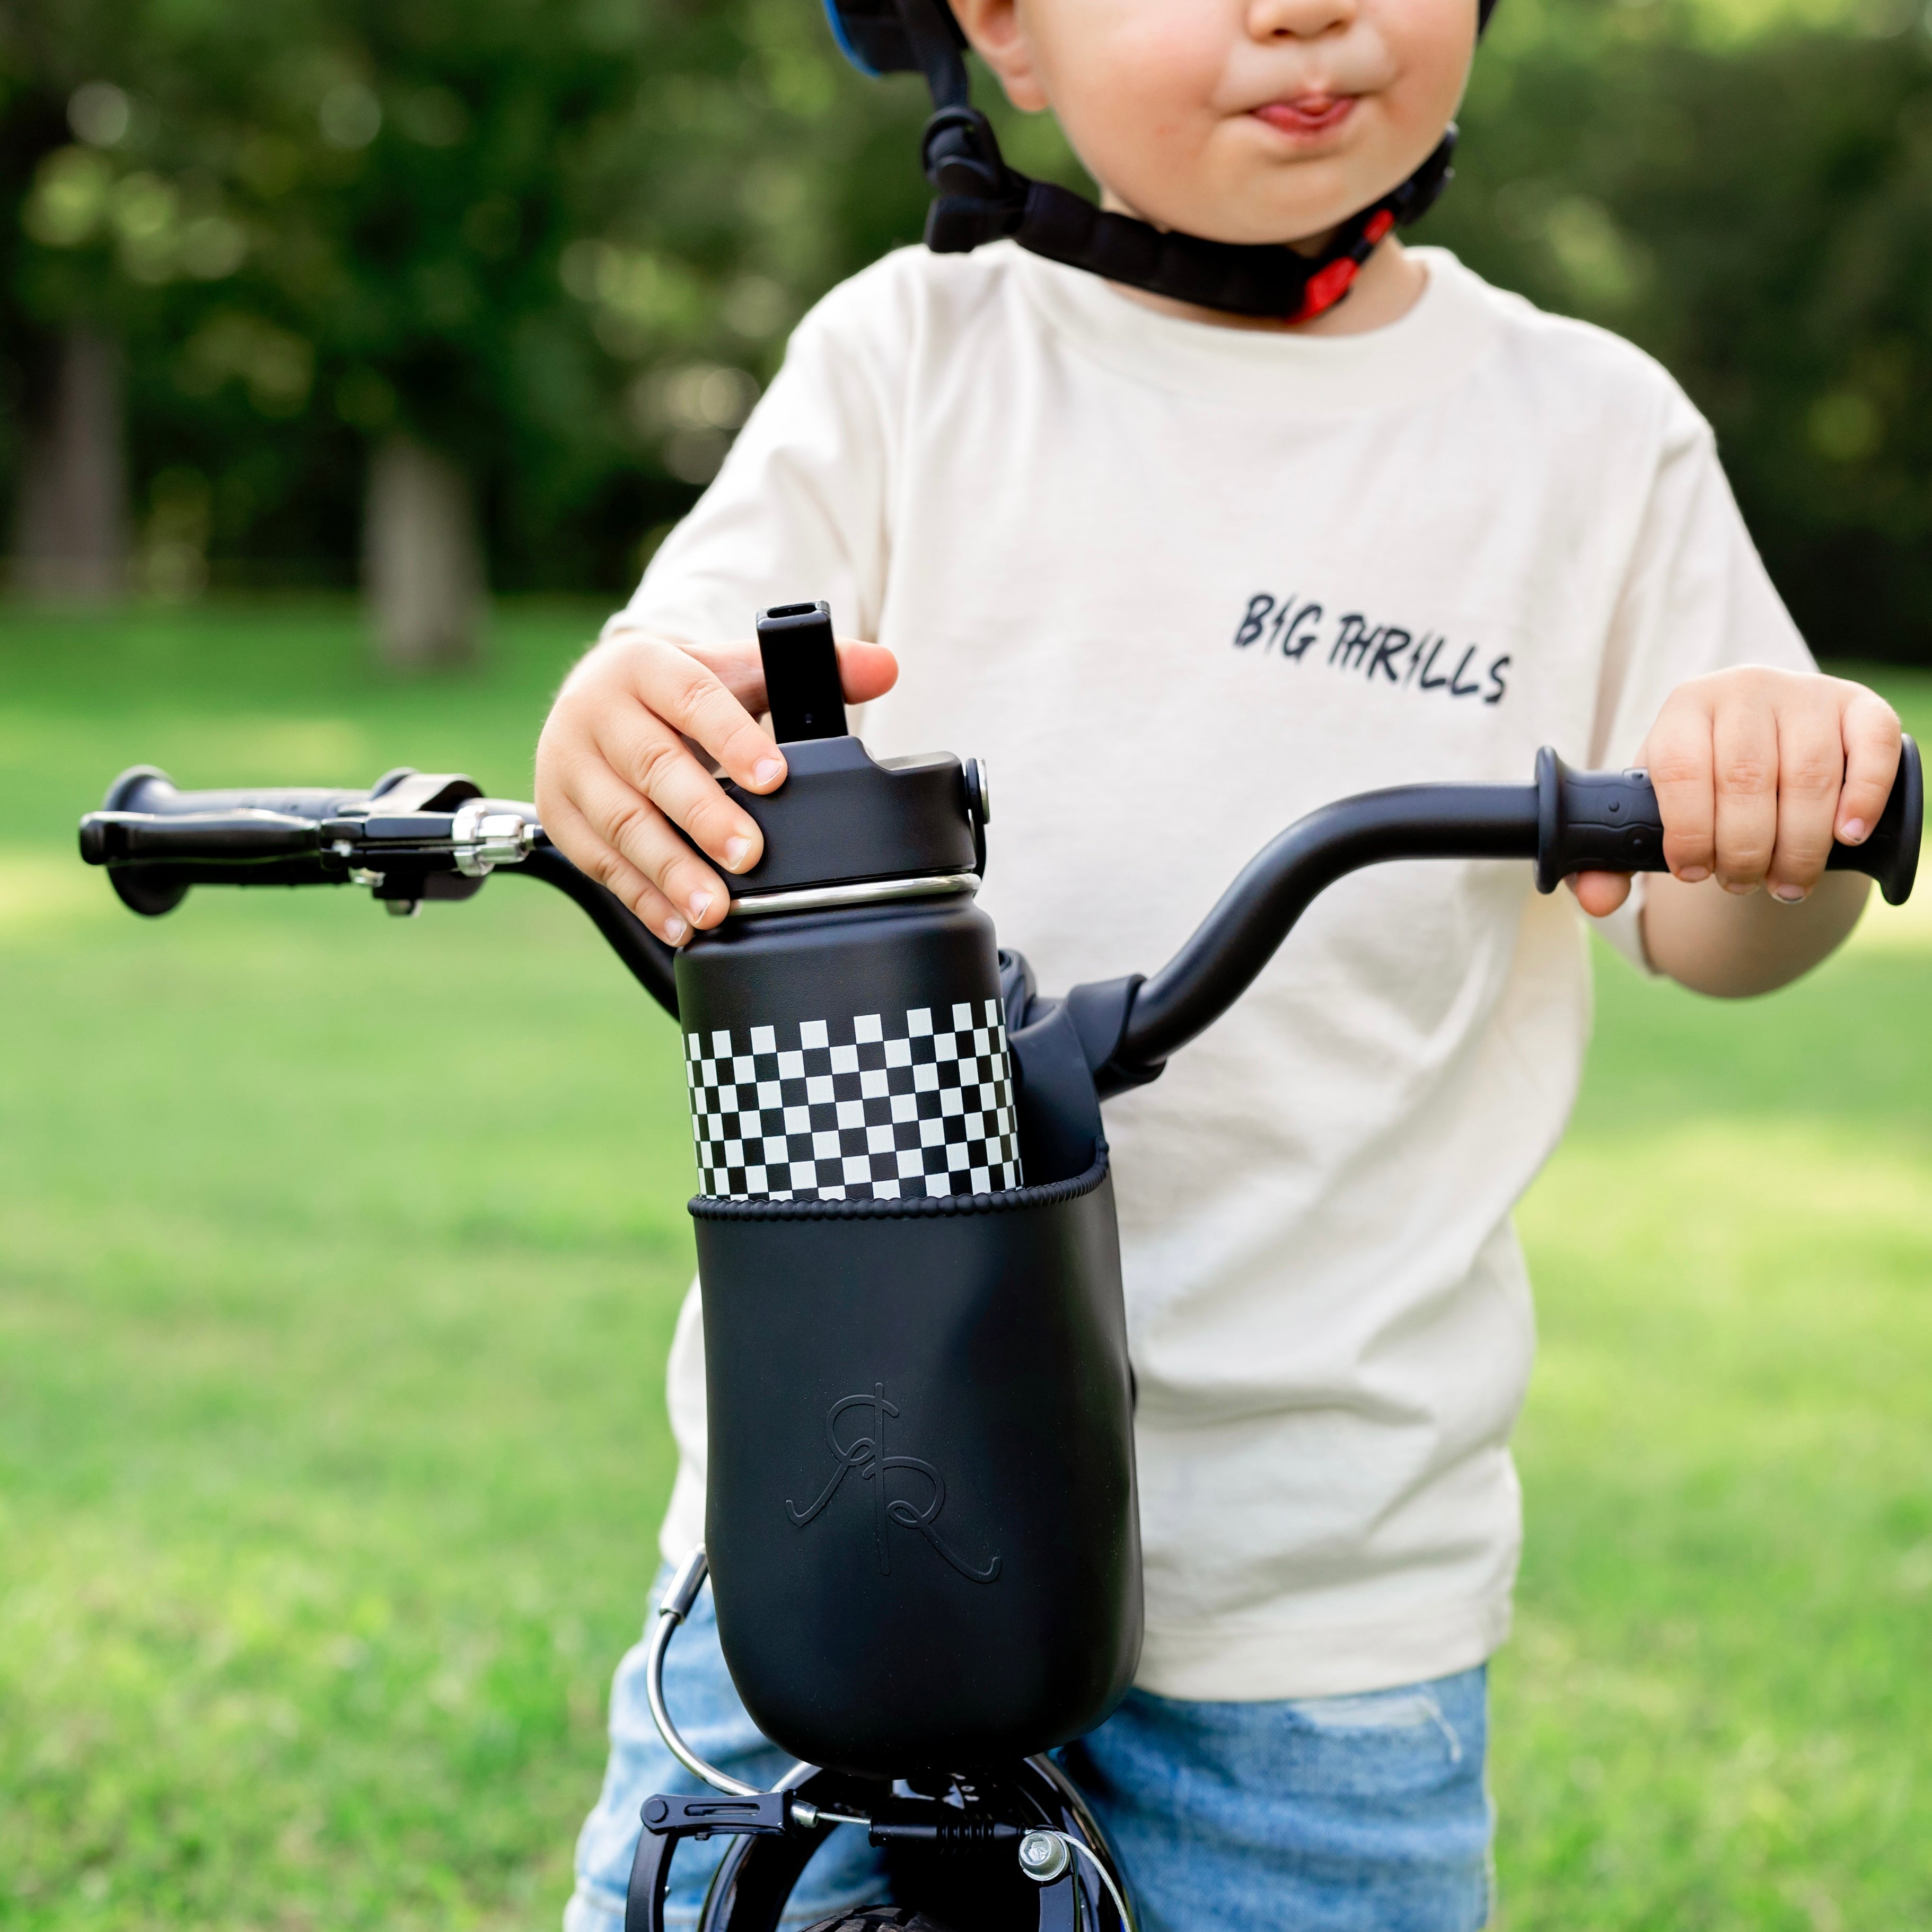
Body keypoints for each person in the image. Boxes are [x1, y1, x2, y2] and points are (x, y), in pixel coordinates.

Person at [537, 0, 1905, 1924]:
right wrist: (618, 729)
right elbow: (667, 704)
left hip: (1311, 1605)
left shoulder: (1586, 437)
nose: (1300, 5)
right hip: (840, 1511)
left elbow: (1720, 928)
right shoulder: (904, 363)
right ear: (998, 27)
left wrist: (1780, 796)